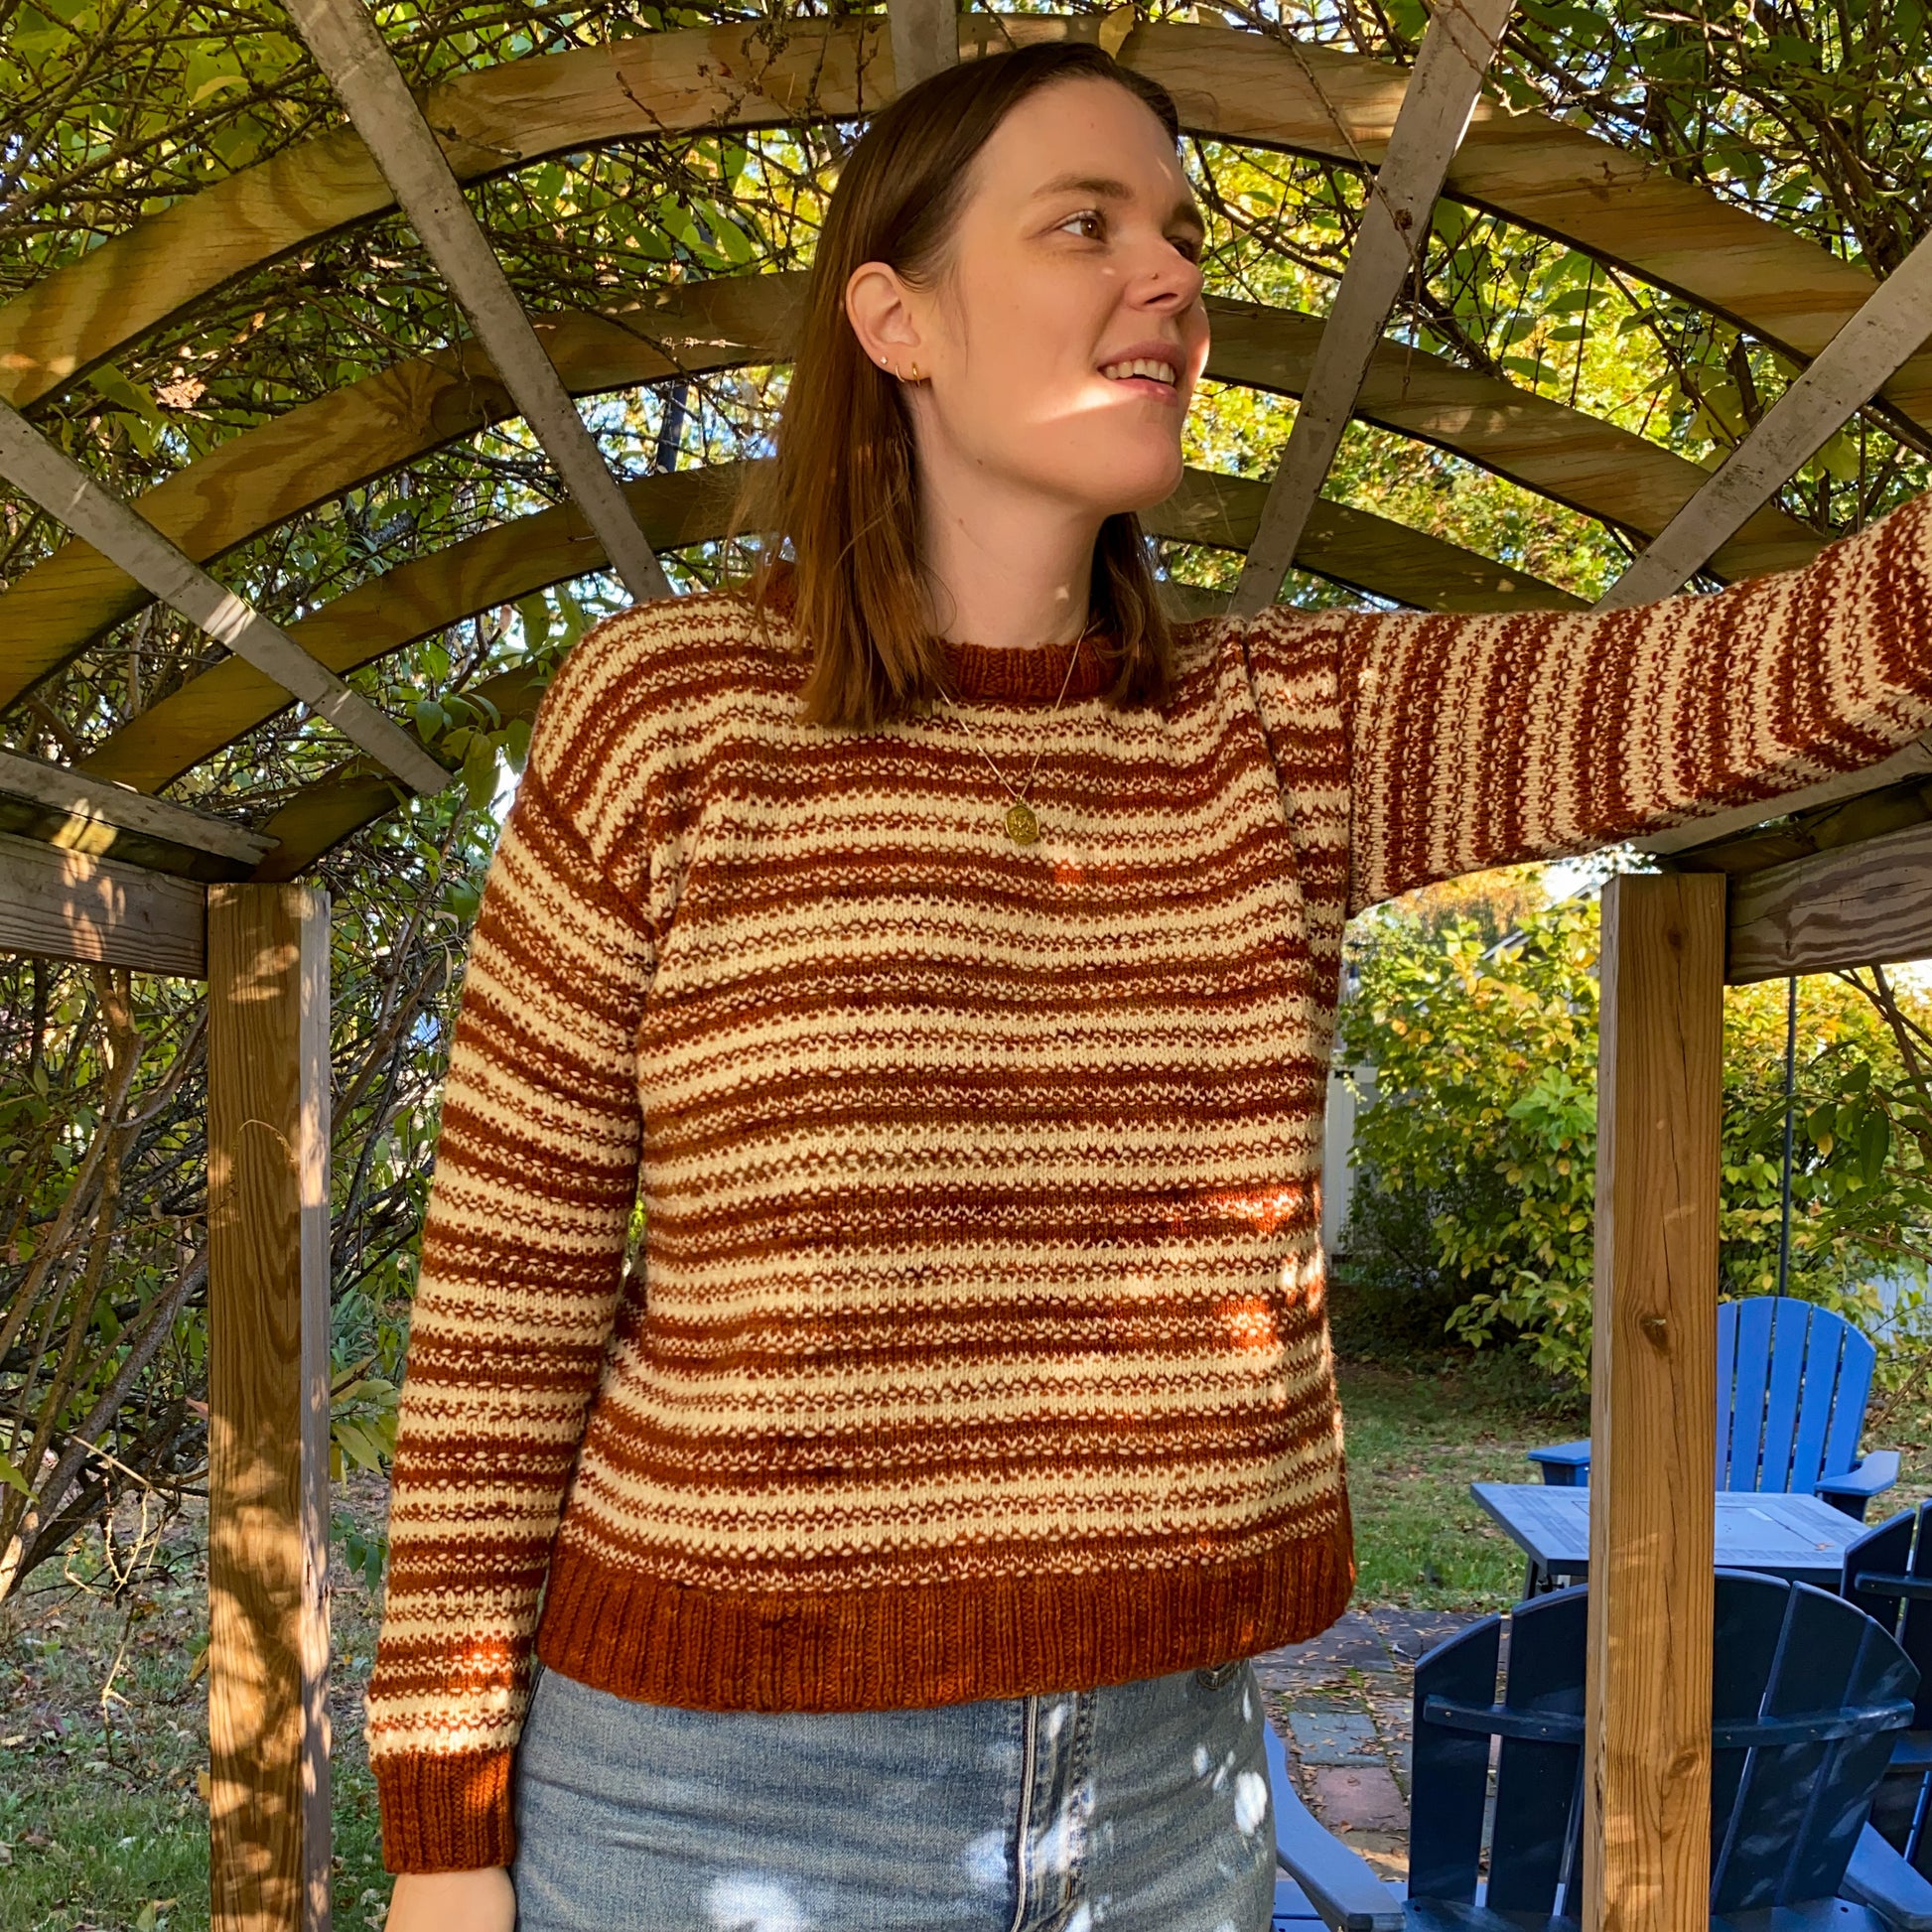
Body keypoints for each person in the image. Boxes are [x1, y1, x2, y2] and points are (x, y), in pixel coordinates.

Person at [363, 36, 1932, 1932]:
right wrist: (440, 1834)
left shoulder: (1286, 728)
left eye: (1180, 235)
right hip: (715, 1794)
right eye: (1082, 224)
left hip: (1172, 1793)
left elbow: (1795, 666)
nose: (1172, 281)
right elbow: (502, 1306)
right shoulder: (670, 715)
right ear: (895, 318)